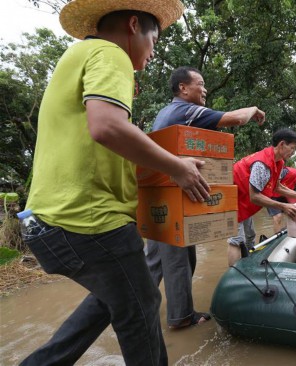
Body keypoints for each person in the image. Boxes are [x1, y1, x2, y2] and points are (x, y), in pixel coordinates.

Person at [18, 1, 211, 365]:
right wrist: (179, 168)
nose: (153, 52)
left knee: (112, 303)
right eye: (153, 41)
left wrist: (163, 172)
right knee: (143, 307)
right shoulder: (110, 53)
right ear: (134, 25)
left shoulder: (80, 57)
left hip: (48, 224)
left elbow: (104, 146)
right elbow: (106, 127)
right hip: (88, 222)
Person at [145, 66, 265, 329]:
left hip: (155, 195)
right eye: (200, 83)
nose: (205, 89)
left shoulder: (164, 113)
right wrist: (254, 109)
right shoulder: (186, 110)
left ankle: (139, 308)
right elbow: (236, 119)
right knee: (180, 260)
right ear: (183, 88)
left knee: (153, 260)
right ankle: (181, 317)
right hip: (175, 196)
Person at [227, 128, 296, 266]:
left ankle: (248, 267)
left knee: (250, 236)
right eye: (292, 148)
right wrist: (283, 206)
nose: (293, 152)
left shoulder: (278, 162)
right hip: (231, 201)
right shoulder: (262, 164)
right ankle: (234, 278)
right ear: (282, 144)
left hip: (243, 199)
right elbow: (255, 196)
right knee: (236, 241)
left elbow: (277, 187)